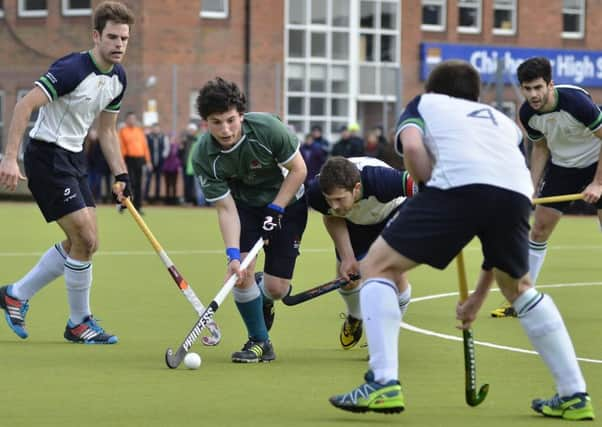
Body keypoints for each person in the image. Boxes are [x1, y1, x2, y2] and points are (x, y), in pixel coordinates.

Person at [328, 60, 595, 421]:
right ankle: (574, 394)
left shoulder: (424, 104)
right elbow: (494, 229)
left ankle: (383, 382)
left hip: (457, 188)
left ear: (434, 90)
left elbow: (411, 147)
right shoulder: (501, 121)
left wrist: (426, 188)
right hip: (516, 194)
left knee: (376, 266)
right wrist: (477, 300)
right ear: (474, 94)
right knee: (520, 287)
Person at [0, 1, 134, 344]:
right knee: (85, 239)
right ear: (96, 36)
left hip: (74, 160)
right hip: (46, 157)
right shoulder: (72, 69)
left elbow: (106, 131)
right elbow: (24, 105)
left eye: (125, 38)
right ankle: (79, 323)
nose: (120, 44)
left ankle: (16, 294)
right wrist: (10, 159)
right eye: (113, 37)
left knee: (86, 243)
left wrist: (121, 176)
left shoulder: (118, 78)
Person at [191, 77, 308, 363]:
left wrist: (277, 208)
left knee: (278, 289)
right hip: (245, 207)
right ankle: (260, 341)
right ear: (206, 122)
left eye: (231, 120)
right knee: (241, 272)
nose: (225, 129)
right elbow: (226, 209)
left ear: (241, 115)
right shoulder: (204, 155)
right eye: (216, 122)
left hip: (288, 202)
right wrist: (233, 254)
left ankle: (263, 294)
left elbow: (299, 170)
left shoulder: (268, 130)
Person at [491, 56, 602, 318]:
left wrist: (598, 183)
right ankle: (522, 299)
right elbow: (540, 148)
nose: (533, 95)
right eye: (527, 89)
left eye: (538, 88)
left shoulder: (576, 103)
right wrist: (531, 188)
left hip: (597, 160)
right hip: (563, 167)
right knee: (539, 229)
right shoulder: (527, 114)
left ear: (550, 85)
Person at [306, 156, 417, 350]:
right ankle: (355, 316)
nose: (334, 205)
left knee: (394, 275)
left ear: (356, 188)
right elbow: (332, 217)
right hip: (354, 223)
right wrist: (348, 258)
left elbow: (423, 188)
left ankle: (386, 338)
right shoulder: (317, 192)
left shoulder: (382, 180)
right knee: (347, 276)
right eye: (330, 200)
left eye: (339, 199)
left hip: (393, 214)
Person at [119, 111, 151, 212]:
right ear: (126, 120)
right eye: (130, 119)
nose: (132, 120)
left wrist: (148, 161)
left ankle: (138, 206)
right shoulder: (123, 131)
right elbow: (121, 147)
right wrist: (122, 161)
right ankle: (124, 205)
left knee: (138, 183)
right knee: (128, 183)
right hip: (128, 159)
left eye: (134, 119)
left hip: (140, 159)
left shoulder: (139, 131)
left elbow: (145, 146)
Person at [144, 122, 169, 203]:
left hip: (159, 162)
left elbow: (166, 148)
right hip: (150, 162)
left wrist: (163, 157)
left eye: (157, 128)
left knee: (158, 180)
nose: (156, 129)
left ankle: (157, 198)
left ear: (159, 129)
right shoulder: (148, 137)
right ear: (152, 129)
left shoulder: (163, 137)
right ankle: (145, 198)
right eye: (154, 128)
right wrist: (147, 161)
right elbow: (145, 148)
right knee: (148, 180)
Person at [84, 128, 111, 203]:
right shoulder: (86, 143)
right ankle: (90, 198)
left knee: (97, 183)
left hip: (97, 167)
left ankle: (97, 197)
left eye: (94, 133)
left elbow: (101, 156)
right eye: (91, 133)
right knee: (90, 183)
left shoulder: (99, 144)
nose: (93, 135)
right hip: (89, 167)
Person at [179, 122, 199, 205]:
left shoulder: (197, 140)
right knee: (186, 183)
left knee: (195, 184)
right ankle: (187, 199)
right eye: (189, 130)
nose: (190, 131)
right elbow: (180, 153)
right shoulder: (184, 140)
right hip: (185, 165)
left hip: (195, 166)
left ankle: (194, 200)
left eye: (192, 130)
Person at [162, 136, 181, 205]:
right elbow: (164, 155)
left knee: (174, 184)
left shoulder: (177, 147)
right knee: (167, 184)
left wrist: (179, 166)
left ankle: (174, 200)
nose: (172, 140)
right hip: (167, 168)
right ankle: (167, 200)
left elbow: (179, 157)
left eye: (173, 139)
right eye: (171, 138)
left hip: (174, 168)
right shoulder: (166, 147)